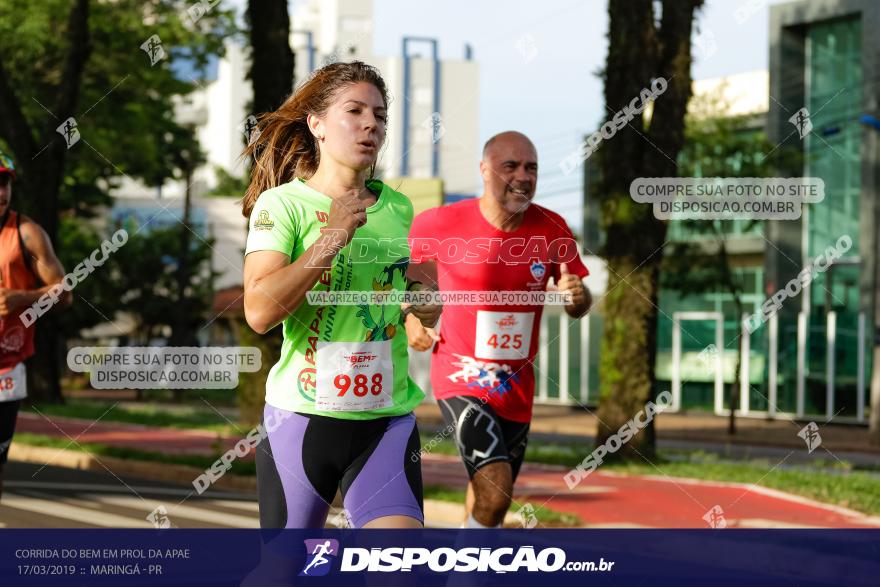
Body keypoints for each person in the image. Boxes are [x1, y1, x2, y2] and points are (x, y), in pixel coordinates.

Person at [241, 61, 440, 529]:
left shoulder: (401, 208)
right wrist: (330, 238)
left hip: (385, 421)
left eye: (381, 115)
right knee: (281, 573)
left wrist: (426, 306)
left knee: (401, 571)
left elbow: (414, 298)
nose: (371, 123)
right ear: (317, 125)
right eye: (354, 111)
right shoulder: (283, 205)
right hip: (302, 420)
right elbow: (259, 311)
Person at [406, 131, 591, 528]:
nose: (523, 176)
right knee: (496, 488)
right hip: (461, 376)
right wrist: (411, 320)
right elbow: (414, 290)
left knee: (487, 497)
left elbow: (578, 301)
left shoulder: (554, 228)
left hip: (517, 388)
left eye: (531, 167)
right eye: (511, 166)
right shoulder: (439, 223)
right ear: (484, 170)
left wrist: (577, 296)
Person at [0, 149, 71, 500]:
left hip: (6, 367)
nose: (0, 193)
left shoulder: (26, 234)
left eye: (4, 185)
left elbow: (64, 293)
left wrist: (21, 298)